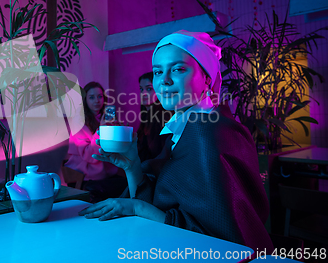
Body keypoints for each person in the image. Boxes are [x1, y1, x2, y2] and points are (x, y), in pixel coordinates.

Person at [79, 31, 274, 252]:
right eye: (158, 71)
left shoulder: (209, 132)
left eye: (178, 69)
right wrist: (131, 166)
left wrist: (137, 208)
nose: (164, 80)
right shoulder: (186, 126)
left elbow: (218, 237)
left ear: (207, 78)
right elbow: (170, 206)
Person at [65, 82, 127, 202]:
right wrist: (101, 130)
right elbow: (89, 155)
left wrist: (118, 130)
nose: (97, 101)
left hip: (107, 174)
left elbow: (115, 149)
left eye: (100, 96)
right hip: (85, 176)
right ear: (85, 100)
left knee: (132, 183)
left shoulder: (104, 119)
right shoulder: (78, 123)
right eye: (92, 97)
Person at [137, 72, 173, 163]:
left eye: (149, 89)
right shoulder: (146, 115)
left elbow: (159, 154)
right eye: (141, 89)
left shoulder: (162, 116)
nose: (144, 93)